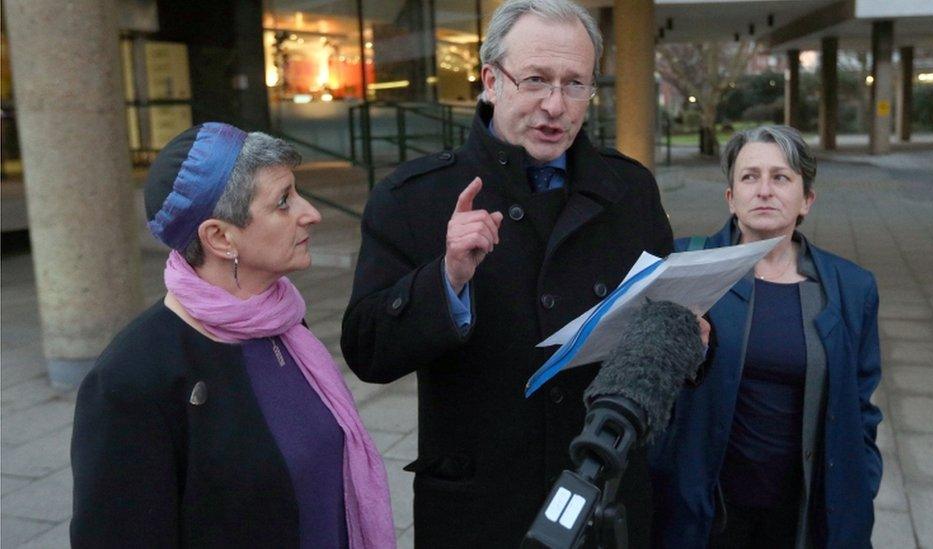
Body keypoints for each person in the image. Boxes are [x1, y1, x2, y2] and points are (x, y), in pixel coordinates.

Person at [340, 0, 679, 545]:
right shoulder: (413, 197)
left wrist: (687, 339)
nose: (555, 105)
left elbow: (663, 322)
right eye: (536, 80)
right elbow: (367, 351)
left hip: (603, 498)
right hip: (477, 508)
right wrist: (446, 280)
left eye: (575, 84)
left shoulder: (630, 190)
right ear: (490, 81)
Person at [70, 123, 395, 548]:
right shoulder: (131, 380)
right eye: (283, 202)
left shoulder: (281, 322)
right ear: (220, 237)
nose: (310, 212)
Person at [648, 126, 883, 548]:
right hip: (704, 509)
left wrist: (862, 484)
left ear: (806, 200)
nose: (764, 190)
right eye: (749, 177)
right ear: (731, 198)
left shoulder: (851, 288)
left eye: (781, 177)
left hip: (803, 513)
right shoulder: (686, 267)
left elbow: (860, 406)